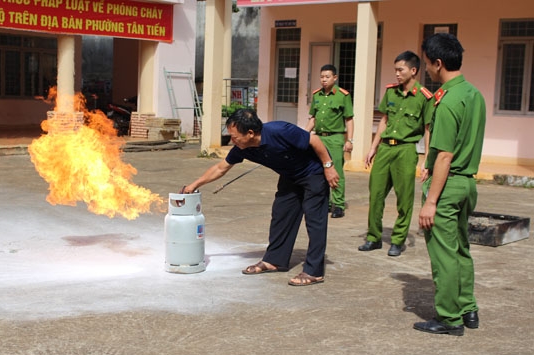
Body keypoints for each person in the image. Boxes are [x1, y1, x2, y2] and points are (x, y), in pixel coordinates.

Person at [183, 109, 338, 286]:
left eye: (235, 137)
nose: (232, 140)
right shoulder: (243, 148)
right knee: (281, 214)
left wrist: (328, 166)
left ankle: (313, 271)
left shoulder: (280, 131)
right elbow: (221, 168)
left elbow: (314, 140)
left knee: (314, 220)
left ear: (250, 133)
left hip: (314, 173)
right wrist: (194, 185)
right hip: (290, 175)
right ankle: (274, 260)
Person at [414, 33, 486, 336]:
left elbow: (444, 155)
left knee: (444, 254)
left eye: (428, 65)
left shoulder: (447, 99)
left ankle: (449, 317)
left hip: (448, 184)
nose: (427, 70)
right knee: (460, 250)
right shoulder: (474, 94)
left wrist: (431, 201)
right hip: (467, 184)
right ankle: (468, 309)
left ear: (439, 63)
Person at [358, 51, 434, 257]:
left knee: (404, 198)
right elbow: (384, 120)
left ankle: (398, 240)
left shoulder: (425, 97)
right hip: (385, 149)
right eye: (395, 70)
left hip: (406, 150)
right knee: (376, 195)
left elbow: (428, 129)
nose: (397, 74)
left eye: (401, 70)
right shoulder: (391, 92)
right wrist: (373, 147)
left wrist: (426, 159)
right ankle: (373, 237)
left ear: (413, 70)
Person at [305, 64, 354, 218]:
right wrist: (304, 135)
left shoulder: (343, 95)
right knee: (319, 170)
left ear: (335, 78)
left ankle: (338, 204)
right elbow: (313, 118)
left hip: (335, 138)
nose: (324, 80)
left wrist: (350, 140)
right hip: (319, 137)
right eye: (322, 77)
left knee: (336, 171)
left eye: (327, 77)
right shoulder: (317, 95)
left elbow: (349, 119)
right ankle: (324, 202)